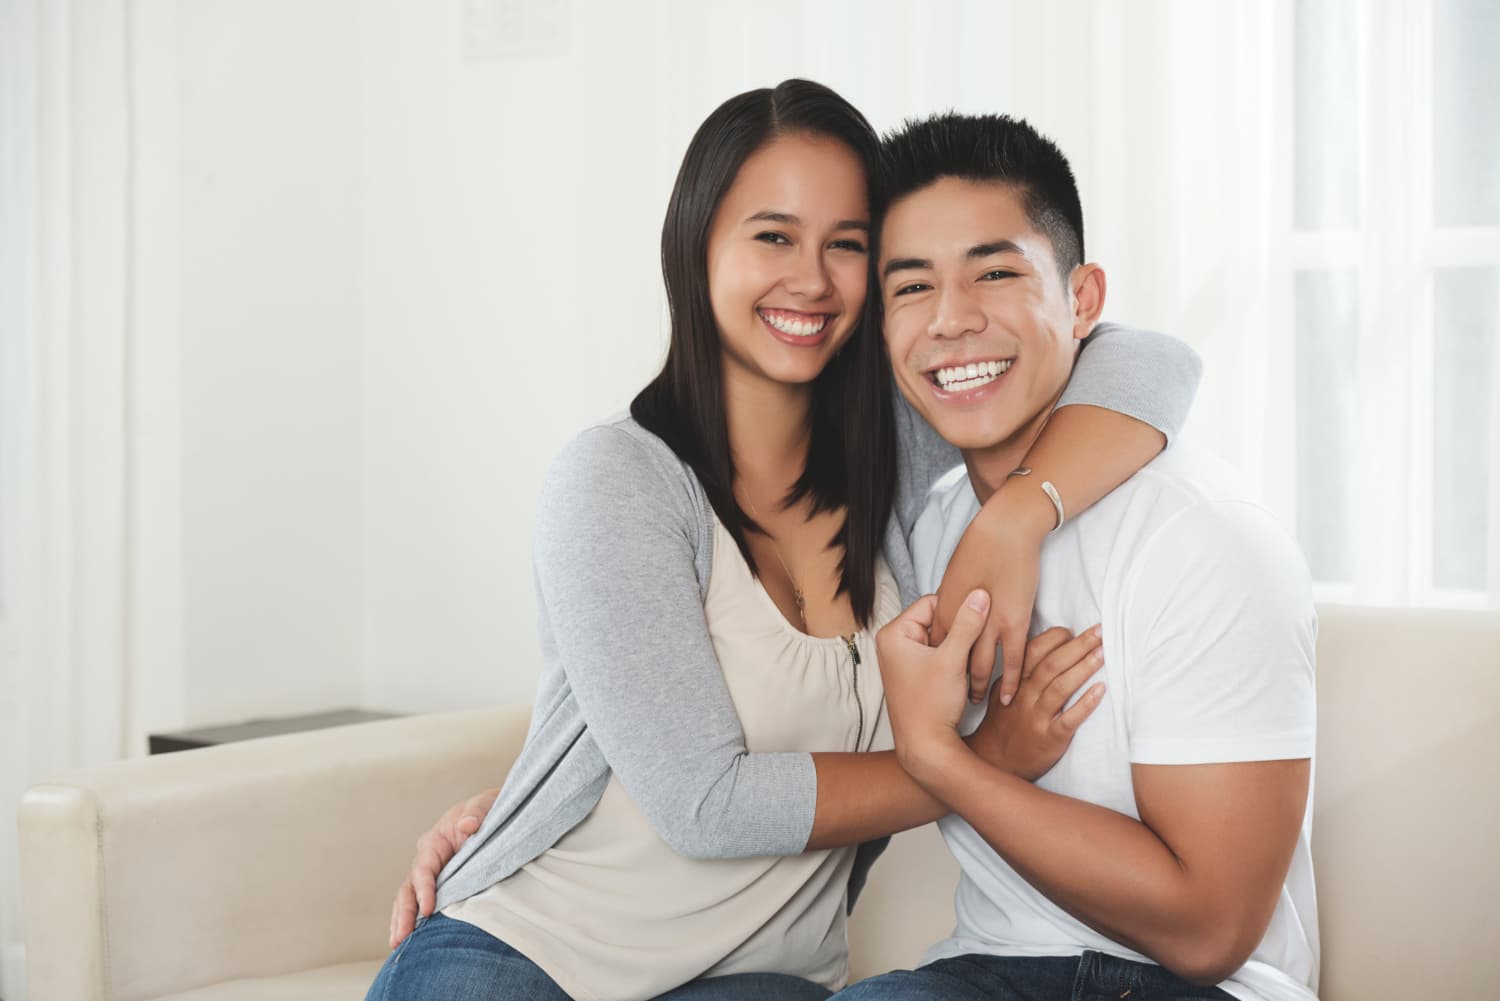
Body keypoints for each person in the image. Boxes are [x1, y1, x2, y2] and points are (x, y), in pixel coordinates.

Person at [367, 80, 1201, 1001]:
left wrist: (1015, 518)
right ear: (696, 248)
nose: (811, 278)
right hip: (533, 952)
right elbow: (703, 804)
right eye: (773, 236)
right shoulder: (617, 477)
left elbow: (1147, 359)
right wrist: (981, 765)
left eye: (847, 245)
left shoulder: (897, 443)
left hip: (762, 979)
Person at [843, 112, 1317, 1001]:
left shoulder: (1203, 536)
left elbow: (1210, 928)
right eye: (911, 288)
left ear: (1085, 298)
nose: (950, 320)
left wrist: (945, 759)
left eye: (994, 271)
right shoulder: (917, 534)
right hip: (978, 972)